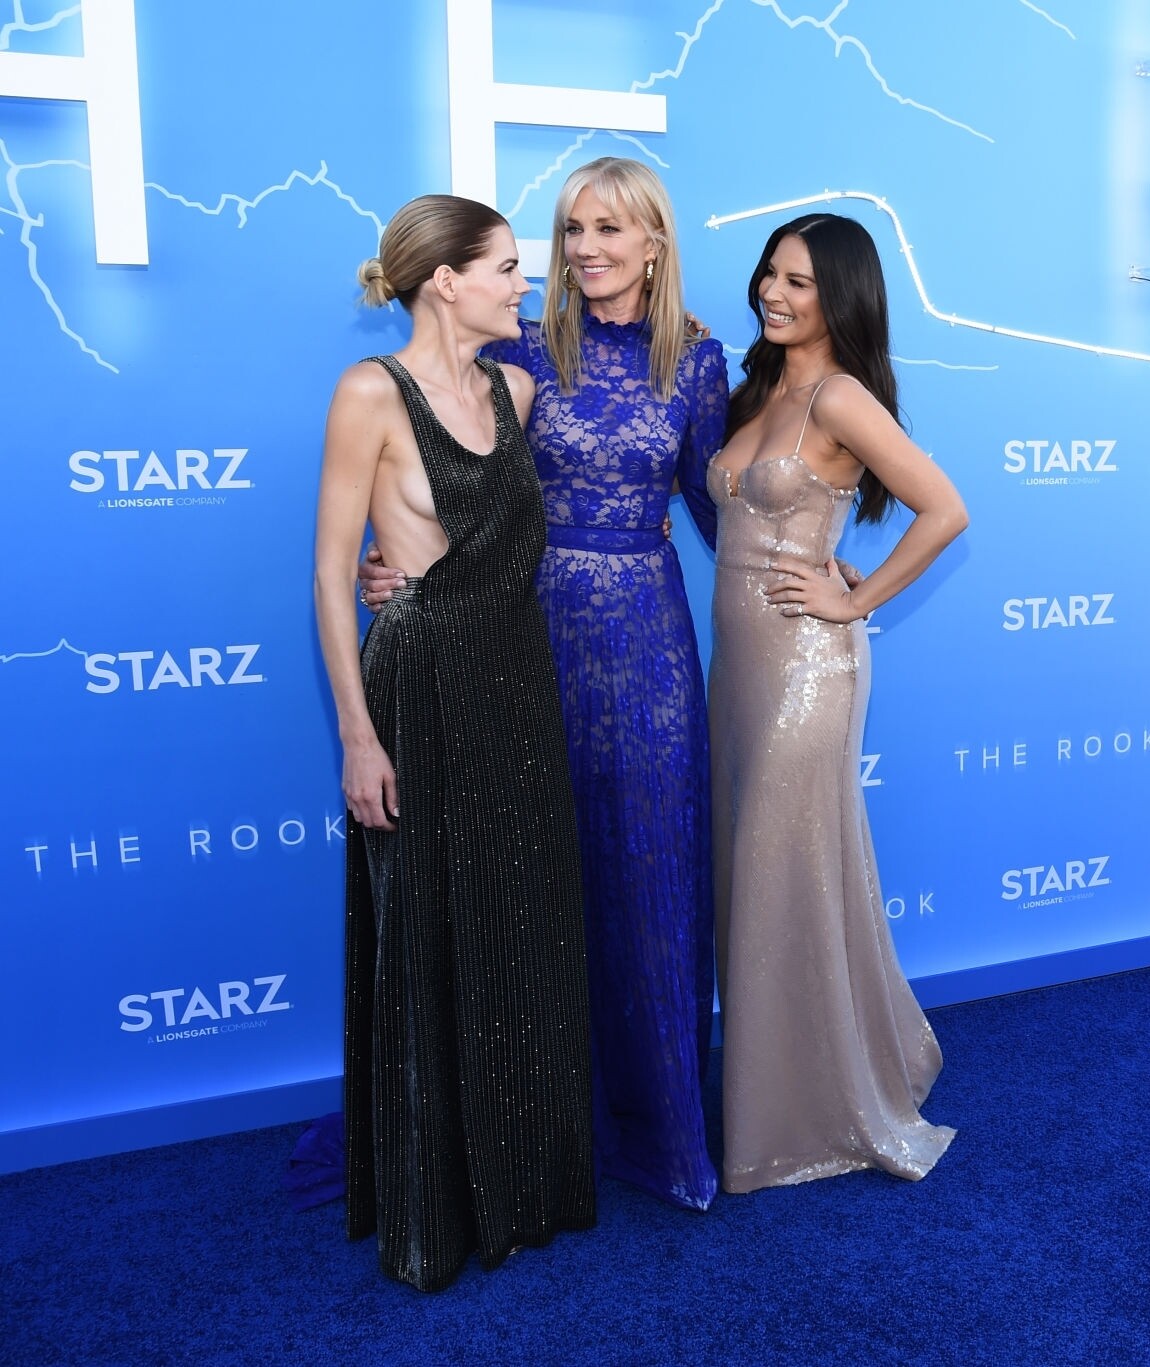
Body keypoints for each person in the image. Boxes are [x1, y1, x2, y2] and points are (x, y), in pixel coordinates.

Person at [358, 158, 729, 1211]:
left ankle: (662, 1127)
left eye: (609, 228)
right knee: (531, 874)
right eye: (571, 229)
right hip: (522, 625)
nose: (585, 248)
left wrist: (812, 574)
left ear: (654, 241)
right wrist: (398, 566)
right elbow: (452, 478)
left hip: (650, 640)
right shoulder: (518, 344)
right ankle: (537, 1121)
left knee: (652, 869)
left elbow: (717, 509)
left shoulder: (699, 360)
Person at [311, 195, 595, 1290]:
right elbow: (333, 573)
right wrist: (357, 735)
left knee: (522, 924)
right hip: (419, 686)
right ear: (446, 280)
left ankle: (526, 1183)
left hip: (516, 679)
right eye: (508, 267)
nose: (527, 284)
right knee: (430, 931)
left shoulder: (515, 389)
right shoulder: (369, 392)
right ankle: (438, 1206)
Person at [710, 213, 968, 1192]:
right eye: (769, 274)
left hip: (807, 670)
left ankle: (802, 1117)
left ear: (841, 297)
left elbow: (945, 508)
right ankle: (802, 1075)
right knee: (758, 874)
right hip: (738, 669)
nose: (772, 294)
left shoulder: (842, 396)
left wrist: (855, 599)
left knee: (783, 874)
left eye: (799, 283)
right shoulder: (757, 387)